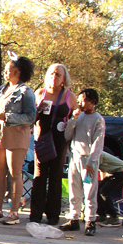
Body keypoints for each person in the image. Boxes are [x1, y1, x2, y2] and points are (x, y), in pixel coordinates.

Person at [0, 55, 36, 225]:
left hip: (16, 135)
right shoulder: (2, 89)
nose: (5, 72)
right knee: (0, 172)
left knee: (15, 173)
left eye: (8, 69)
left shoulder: (25, 92)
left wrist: (7, 117)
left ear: (18, 71)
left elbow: (31, 116)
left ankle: (14, 212)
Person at [29, 63, 77, 226]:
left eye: (58, 75)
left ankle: (53, 215)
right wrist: (38, 110)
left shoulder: (70, 96)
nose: (54, 77)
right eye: (51, 74)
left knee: (56, 177)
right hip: (42, 139)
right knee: (39, 176)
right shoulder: (39, 93)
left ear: (64, 78)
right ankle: (35, 214)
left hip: (60, 140)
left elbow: (75, 118)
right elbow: (30, 119)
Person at [59, 88, 105, 235]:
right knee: (74, 188)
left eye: (84, 100)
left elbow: (98, 142)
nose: (80, 103)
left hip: (88, 160)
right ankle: (74, 217)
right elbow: (67, 135)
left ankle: (90, 220)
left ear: (93, 102)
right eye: (79, 100)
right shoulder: (78, 117)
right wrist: (73, 119)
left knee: (90, 190)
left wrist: (92, 161)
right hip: (75, 157)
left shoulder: (98, 119)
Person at [96, 150, 123, 226]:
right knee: (96, 190)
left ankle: (114, 217)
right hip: (112, 172)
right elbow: (101, 170)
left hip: (121, 171)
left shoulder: (96, 153)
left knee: (104, 191)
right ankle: (101, 215)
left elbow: (94, 167)